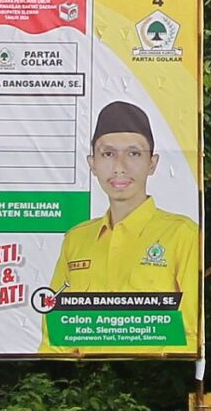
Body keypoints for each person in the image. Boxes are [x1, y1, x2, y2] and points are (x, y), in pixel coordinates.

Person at [50, 101, 200, 297]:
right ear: (93, 164)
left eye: (133, 153)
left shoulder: (182, 234)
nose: (119, 166)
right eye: (108, 154)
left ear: (152, 163)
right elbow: (54, 318)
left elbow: (189, 324)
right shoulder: (76, 240)